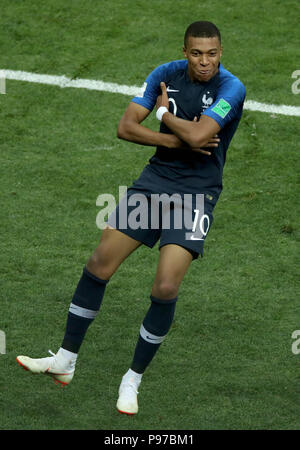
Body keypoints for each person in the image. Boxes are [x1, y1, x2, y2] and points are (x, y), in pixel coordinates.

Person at [16, 21, 246, 415]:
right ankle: (65, 360)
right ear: (185, 51)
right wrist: (177, 134)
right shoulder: (164, 74)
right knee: (98, 263)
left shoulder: (231, 88)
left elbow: (200, 135)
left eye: (211, 53)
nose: (204, 61)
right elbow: (126, 127)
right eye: (196, 53)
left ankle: (132, 380)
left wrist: (162, 114)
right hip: (154, 183)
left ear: (221, 52)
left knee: (165, 287)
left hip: (195, 195)